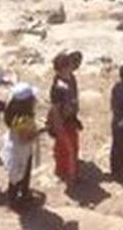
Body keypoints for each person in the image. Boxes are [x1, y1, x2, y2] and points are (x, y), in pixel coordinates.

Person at [2, 82, 39, 212]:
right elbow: (25, 138)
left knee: (23, 173)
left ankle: (24, 194)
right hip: (20, 150)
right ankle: (14, 200)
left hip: (19, 147)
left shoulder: (12, 112)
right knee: (18, 175)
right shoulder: (22, 119)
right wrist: (38, 133)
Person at [47, 52, 81, 185]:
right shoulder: (58, 87)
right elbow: (55, 109)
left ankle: (62, 171)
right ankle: (70, 176)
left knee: (64, 147)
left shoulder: (68, 80)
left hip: (69, 119)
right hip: (62, 121)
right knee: (69, 148)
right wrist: (58, 126)